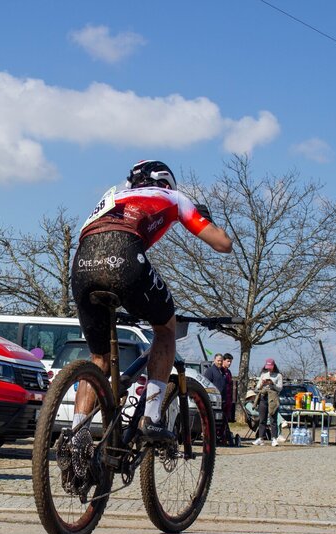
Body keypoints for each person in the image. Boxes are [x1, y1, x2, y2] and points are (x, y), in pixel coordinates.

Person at [71, 159, 232, 442]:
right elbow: (223, 244)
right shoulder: (174, 197)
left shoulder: (114, 197)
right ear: (166, 182)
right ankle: (153, 417)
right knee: (165, 328)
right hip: (123, 257)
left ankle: (76, 437)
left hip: (82, 263)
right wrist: (205, 217)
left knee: (99, 358)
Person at [252, 358, 283, 446]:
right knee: (262, 419)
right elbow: (257, 387)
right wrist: (262, 383)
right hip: (263, 397)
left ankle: (274, 438)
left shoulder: (278, 375)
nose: (269, 369)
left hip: (273, 398)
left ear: (274, 366)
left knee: (273, 418)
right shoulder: (263, 374)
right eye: (267, 367)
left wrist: (272, 384)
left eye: (270, 367)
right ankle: (261, 438)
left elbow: (280, 388)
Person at [222, 353, 235, 422]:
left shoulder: (229, 372)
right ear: (223, 360)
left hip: (228, 398)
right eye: (228, 361)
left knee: (226, 417)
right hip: (222, 398)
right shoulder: (220, 370)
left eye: (230, 362)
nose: (229, 363)